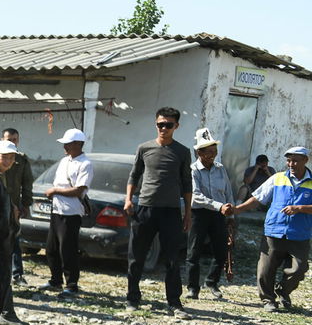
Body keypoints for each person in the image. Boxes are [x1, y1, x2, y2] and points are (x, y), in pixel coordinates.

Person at [125, 107, 193, 314]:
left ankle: (174, 303)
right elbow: (134, 175)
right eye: (160, 124)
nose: (164, 128)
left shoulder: (182, 152)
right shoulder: (144, 148)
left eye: (168, 125)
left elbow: (187, 183)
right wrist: (128, 199)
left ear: (176, 126)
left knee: (172, 258)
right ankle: (132, 299)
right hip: (145, 208)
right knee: (136, 256)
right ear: (155, 124)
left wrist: (188, 213)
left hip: (171, 211)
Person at [231, 146, 312, 311]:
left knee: (299, 268)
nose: (291, 164)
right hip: (274, 230)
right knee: (265, 269)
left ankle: (283, 290)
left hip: (299, 233)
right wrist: (238, 209)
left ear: (305, 160)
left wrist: (300, 208)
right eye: (289, 160)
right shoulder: (278, 178)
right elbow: (258, 198)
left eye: (295, 160)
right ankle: (268, 300)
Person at [186, 127, 235, 301]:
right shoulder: (193, 170)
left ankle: (212, 282)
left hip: (219, 215)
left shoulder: (220, 168)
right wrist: (219, 206)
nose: (212, 155)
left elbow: (228, 191)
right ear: (199, 152)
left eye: (214, 152)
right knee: (194, 252)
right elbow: (196, 196)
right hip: (199, 215)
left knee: (221, 251)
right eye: (208, 152)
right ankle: (193, 287)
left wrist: (230, 214)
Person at [0, 139, 30, 325]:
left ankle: (2, 313)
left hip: (0, 234)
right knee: (1, 273)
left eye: (11, 158)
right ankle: (6, 314)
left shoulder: (2, 175)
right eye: (4, 157)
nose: (8, 161)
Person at [44, 128, 92, 295]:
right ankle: (55, 280)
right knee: (51, 248)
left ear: (78, 144)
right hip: (57, 210)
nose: (64, 146)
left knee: (68, 250)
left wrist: (55, 191)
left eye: (68, 143)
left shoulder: (85, 164)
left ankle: (71, 285)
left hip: (71, 213)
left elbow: (79, 190)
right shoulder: (64, 161)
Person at [1, 127, 34, 282]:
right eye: (9, 140)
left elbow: (27, 184)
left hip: (14, 207)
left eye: (15, 139)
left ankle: (17, 274)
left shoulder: (22, 160)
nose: (12, 142)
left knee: (14, 239)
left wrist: (26, 205)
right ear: (2, 140)